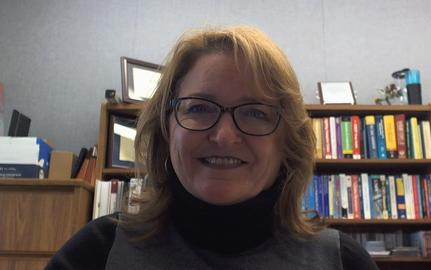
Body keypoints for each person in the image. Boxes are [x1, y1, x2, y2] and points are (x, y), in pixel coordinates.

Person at [46, 25, 378, 270]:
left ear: (287, 143)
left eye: (255, 113)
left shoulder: (345, 263)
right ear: (166, 128)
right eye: (199, 107)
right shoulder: (95, 253)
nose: (224, 136)